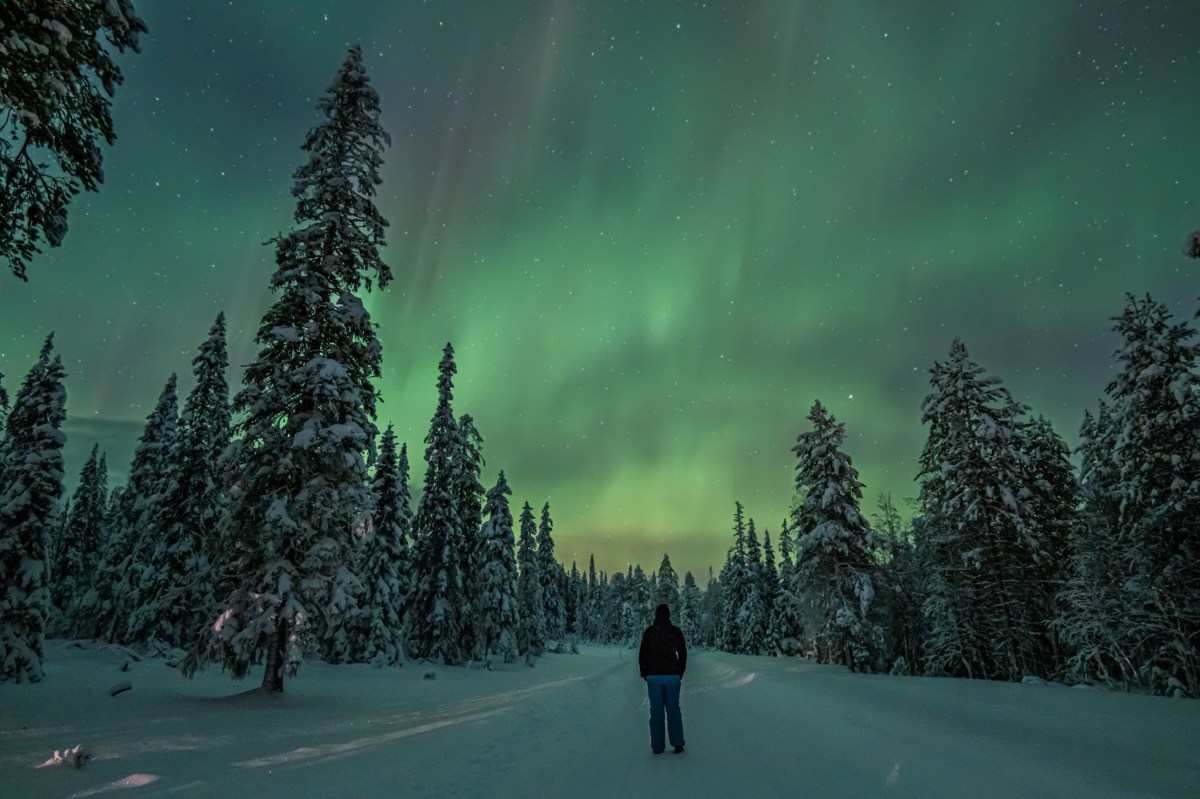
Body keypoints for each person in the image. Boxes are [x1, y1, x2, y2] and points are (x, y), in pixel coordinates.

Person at [639, 602, 687, 754]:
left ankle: (657, 746)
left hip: (654, 677)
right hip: (673, 676)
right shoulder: (675, 631)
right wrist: (680, 672)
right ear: (668, 616)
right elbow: (683, 653)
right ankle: (677, 743)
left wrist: (645, 673)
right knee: (673, 709)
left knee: (656, 711)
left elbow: (642, 654)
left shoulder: (650, 632)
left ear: (656, 616)